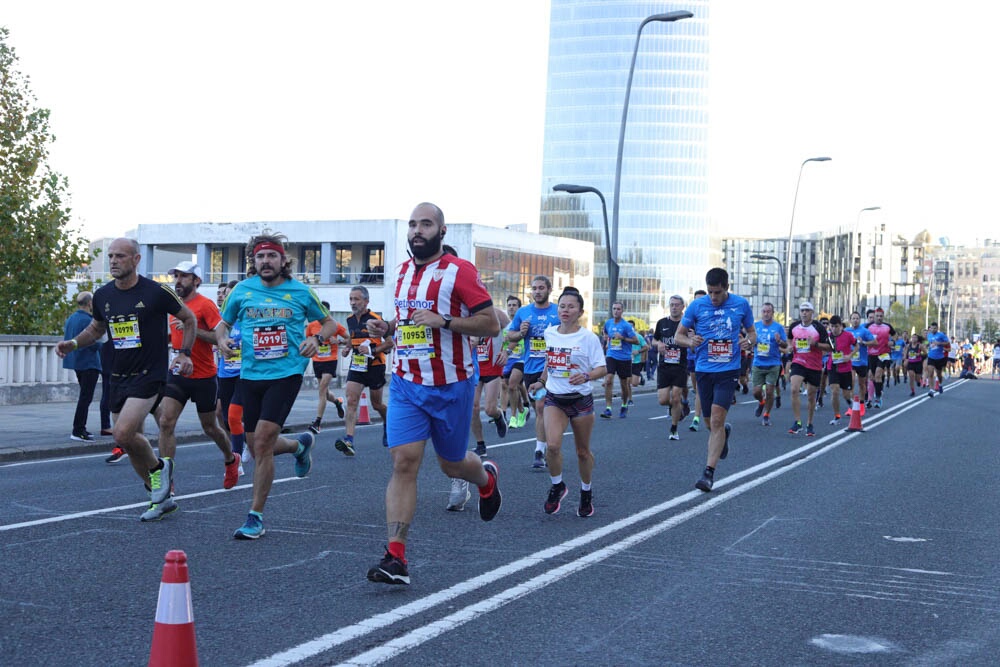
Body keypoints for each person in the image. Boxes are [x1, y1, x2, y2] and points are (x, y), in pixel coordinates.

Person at [364, 202, 502, 586]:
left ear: (442, 232)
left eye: (426, 224)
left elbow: (490, 324)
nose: (417, 230)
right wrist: (386, 331)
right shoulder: (404, 272)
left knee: (452, 465)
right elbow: (407, 322)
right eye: (412, 224)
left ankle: (486, 479)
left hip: (451, 384)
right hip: (407, 383)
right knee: (404, 462)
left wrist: (445, 322)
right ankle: (396, 556)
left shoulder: (460, 271)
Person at [55, 237, 196, 520]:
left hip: (149, 374)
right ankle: (159, 496)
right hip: (118, 374)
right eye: (110, 256)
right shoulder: (104, 295)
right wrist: (73, 343)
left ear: (136, 259)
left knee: (122, 434)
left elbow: (189, 318)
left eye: (120, 256)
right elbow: (96, 329)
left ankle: (159, 470)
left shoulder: (157, 292)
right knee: (131, 441)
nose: (113, 261)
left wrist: (184, 353)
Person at [217, 233, 338, 540]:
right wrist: (221, 340)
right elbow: (222, 325)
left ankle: (255, 516)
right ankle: (299, 445)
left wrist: (316, 339)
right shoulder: (242, 291)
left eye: (272, 256)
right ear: (253, 262)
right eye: (260, 257)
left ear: (284, 261)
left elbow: (329, 324)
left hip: (286, 373)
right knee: (258, 447)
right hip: (250, 374)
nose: (266, 261)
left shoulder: (300, 291)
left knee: (264, 440)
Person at [147, 261, 241, 521]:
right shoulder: (171, 305)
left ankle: (230, 458)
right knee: (166, 422)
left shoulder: (205, 305)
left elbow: (218, 337)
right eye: (176, 275)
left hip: (204, 375)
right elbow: (170, 336)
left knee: (210, 427)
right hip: (178, 370)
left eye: (184, 276)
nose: (178, 280)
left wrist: (192, 329)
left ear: (196, 280)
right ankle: (167, 480)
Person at [527, 288, 607, 516]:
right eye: (562, 306)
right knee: (552, 446)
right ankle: (557, 485)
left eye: (571, 307)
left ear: (580, 312)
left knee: (582, 452)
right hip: (555, 398)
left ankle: (586, 491)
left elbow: (602, 368)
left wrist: (587, 376)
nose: (565, 310)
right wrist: (541, 382)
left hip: (581, 400)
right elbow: (549, 363)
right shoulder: (550, 333)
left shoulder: (588, 337)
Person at [675, 268, 754, 493]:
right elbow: (679, 336)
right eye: (710, 292)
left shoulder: (741, 305)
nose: (713, 297)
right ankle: (723, 435)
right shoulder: (697, 306)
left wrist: (749, 342)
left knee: (717, 420)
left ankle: (708, 473)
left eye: (717, 292)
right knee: (711, 424)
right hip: (704, 370)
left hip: (728, 370)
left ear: (726, 288)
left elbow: (752, 333)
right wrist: (690, 342)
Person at [448, 303, 511, 510]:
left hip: (492, 366)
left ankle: (499, 415)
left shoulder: (497, 314)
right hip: (475, 368)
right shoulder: (464, 314)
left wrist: (506, 351)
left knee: (489, 409)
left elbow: (512, 334)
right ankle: (481, 443)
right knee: (473, 408)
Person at [508, 275, 561, 468]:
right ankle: (547, 444)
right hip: (531, 367)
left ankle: (539, 451)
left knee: (540, 407)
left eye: (541, 288)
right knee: (539, 409)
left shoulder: (557, 311)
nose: (537, 291)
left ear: (549, 289)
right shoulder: (523, 312)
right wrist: (521, 333)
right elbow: (510, 336)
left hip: (554, 367)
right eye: (534, 288)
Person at [336, 285, 392, 455]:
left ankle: (388, 424)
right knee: (351, 401)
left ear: (366, 301)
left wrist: (372, 350)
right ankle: (349, 440)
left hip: (375, 366)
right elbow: (352, 339)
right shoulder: (350, 319)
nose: (353, 303)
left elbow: (390, 343)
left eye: (357, 299)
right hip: (357, 366)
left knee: (376, 404)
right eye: (351, 299)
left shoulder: (375, 319)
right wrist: (347, 348)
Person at [62, 291, 103, 442]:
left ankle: (81, 428)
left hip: (77, 362)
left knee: (84, 396)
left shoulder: (71, 319)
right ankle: (78, 429)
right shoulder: (89, 321)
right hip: (89, 363)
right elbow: (94, 343)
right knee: (86, 398)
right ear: (90, 303)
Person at [786, 302, 831, 436]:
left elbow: (830, 347)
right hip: (799, 361)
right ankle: (797, 422)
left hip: (814, 365)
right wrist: (789, 346)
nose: (804, 313)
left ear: (812, 313)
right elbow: (789, 339)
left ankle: (809, 424)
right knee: (794, 389)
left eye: (807, 310)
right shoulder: (794, 326)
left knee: (811, 396)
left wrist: (815, 344)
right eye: (802, 310)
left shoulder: (819, 328)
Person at [306, 301, 348, 435]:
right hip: (317, 360)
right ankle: (337, 402)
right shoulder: (311, 326)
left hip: (331, 360)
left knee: (322, 388)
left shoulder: (335, 325)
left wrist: (339, 341)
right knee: (325, 392)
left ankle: (317, 422)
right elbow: (308, 340)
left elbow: (350, 339)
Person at [652, 295, 689, 440]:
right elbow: (654, 340)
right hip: (664, 366)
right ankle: (676, 408)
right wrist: (658, 344)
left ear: (682, 307)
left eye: (677, 305)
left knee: (676, 398)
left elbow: (694, 342)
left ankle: (674, 429)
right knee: (663, 400)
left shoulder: (686, 324)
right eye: (671, 304)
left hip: (680, 366)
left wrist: (691, 338)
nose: (674, 307)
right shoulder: (662, 323)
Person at [751, 302, 788, 427]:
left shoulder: (778, 327)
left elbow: (785, 345)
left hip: (773, 363)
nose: (766, 314)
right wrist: (751, 342)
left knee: (770, 391)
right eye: (764, 311)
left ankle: (766, 415)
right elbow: (749, 341)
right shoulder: (755, 326)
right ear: (761, 313)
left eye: (768, 311)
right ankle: (761, 402)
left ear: (773, 313)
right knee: (756, 392)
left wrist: (779, 341)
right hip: (758, 363)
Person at [600, 302, 639, 419]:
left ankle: (624, 404)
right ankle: (608, 408)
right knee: (608, 379)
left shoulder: (626, 326)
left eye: (618, 309)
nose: (616, 311)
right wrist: (606, 339)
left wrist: (623, 338)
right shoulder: (608, 323)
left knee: (624, 384)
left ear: (622, 311)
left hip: (624, 358)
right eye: (614, 308)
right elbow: (605, 332)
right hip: (611, 355)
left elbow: (636, 340)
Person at [500, 295, 529, 428]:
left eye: (514, 305)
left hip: (521, 358)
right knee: (510, 387)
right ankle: (522, 411)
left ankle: (513, 417)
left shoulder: (522, 322)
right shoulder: (504, 325)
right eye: (509, 305)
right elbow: (501, 341)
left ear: (519, 308)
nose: (511, 308)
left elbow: (516, 340)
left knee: (512, 385)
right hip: (508, 359)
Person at [825, 315, 856, 425]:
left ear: (841, 326)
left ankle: (849, 402)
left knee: (846, 394)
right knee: (835, 390)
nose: (834, 329)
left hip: (846, 368)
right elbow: (823, 348)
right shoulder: (828, 337)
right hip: (832, 367)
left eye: (836, 326)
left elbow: (856, 345)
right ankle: (837, 416)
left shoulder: (848, 335)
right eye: (832, 326)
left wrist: (850, 355)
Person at [867, 307, 896, 407]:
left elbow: (895, 335)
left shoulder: (887, 326)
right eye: (877, 316)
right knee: (872, 376)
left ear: (883, 317)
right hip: (872, 354)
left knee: (878, 374)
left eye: (881, 316)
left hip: (884, 354)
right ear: (874, 316)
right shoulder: (868, 326)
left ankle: (878, 398)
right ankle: (875, 394)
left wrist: (892, 342)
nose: (879, 318)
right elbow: (862, 335)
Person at [845, 312, 876, 407]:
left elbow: (875, 342)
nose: (855, 320)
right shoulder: (846, 331)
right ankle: (852, 405)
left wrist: (864, 343)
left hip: (862, 361)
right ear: (850, 320)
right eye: (853, 318)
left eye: (857, 318)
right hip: (850, 361)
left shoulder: (864, 331)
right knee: (851, 381)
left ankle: (861, 404)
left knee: (862, 384)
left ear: (860, 320)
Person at [686, 289, 706, 431]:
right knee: (694, 388)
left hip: (705, 359)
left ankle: (696, 418)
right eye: (696, 300)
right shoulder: (689, 318)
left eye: (702, 299)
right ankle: (686, 402)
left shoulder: (710, 318)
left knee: (699, 389)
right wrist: (689, 339)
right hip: (689, 357)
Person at [924, 322, 951, 396]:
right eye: (932, 328)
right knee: (930, 372)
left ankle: (940, 384)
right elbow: (928, 342)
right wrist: (926, 345)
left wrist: (939, 343)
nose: (933, 329)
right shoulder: (929, 335)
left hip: (939, 357)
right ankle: (931, 390)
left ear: (937, 328)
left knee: (939, 374)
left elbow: (947, 342)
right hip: (931, 356)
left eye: (934, 328)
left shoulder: (941, 335)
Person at [628, 318, 649, 393]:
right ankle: (627, 397)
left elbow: (646, 347)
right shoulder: (624, 337)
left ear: (634, 327)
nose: (629, 328)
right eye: (628, 326)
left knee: (634, 383)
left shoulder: (638, 336)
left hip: (636, 361)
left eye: (631, 326)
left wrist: (638, 351)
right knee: (627, 382)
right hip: (626, 361)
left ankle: (640, 379)